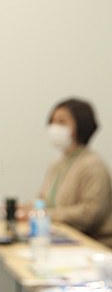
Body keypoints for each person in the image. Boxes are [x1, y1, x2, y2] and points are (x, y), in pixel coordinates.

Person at [38, 98, 112, 247]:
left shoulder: (93, 165)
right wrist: (28, 210)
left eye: (62, 122)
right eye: (52, 121)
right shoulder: (57, 164)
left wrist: (48, 215)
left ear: (80, 125)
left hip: (93, 244)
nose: (54, 127)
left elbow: (90, 214)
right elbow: (45, 201)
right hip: (61, 238)